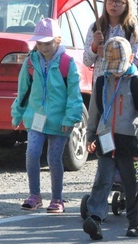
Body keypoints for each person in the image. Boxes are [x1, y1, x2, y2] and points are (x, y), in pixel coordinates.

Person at [83, 37, 138, 240]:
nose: (115, 71)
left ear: (132, 58)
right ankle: (95, 219)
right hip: (106, 140)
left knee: (131, 185)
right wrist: (90, 135)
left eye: (119, 66)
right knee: (101, 181)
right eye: (112, 66)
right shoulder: (101, 82)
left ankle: (135, 223)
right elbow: (94, 111)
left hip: (130, 143)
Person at [11, 18, 84, 213]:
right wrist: (17, 113)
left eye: (48, 43)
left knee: (54, 159)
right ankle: (34, 195)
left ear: (58, 40)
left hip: (59, 122)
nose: (43, 47)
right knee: (32, 154)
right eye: (40, 43)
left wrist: (70, 118)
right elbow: (23, 89)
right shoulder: (30, 62)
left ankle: (57, 199)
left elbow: (74, 94)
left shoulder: (68, 63)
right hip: (35, 118)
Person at [83, 0, 138, 79]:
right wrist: (94, 47)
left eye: (118, 2)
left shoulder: (132, 30)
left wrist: (109, 56)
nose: (113, 5)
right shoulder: (96, 27)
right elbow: (86, 61)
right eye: (110, 0)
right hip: (100, 85)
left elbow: (135, 62)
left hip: (122, 86)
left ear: (126, 5)